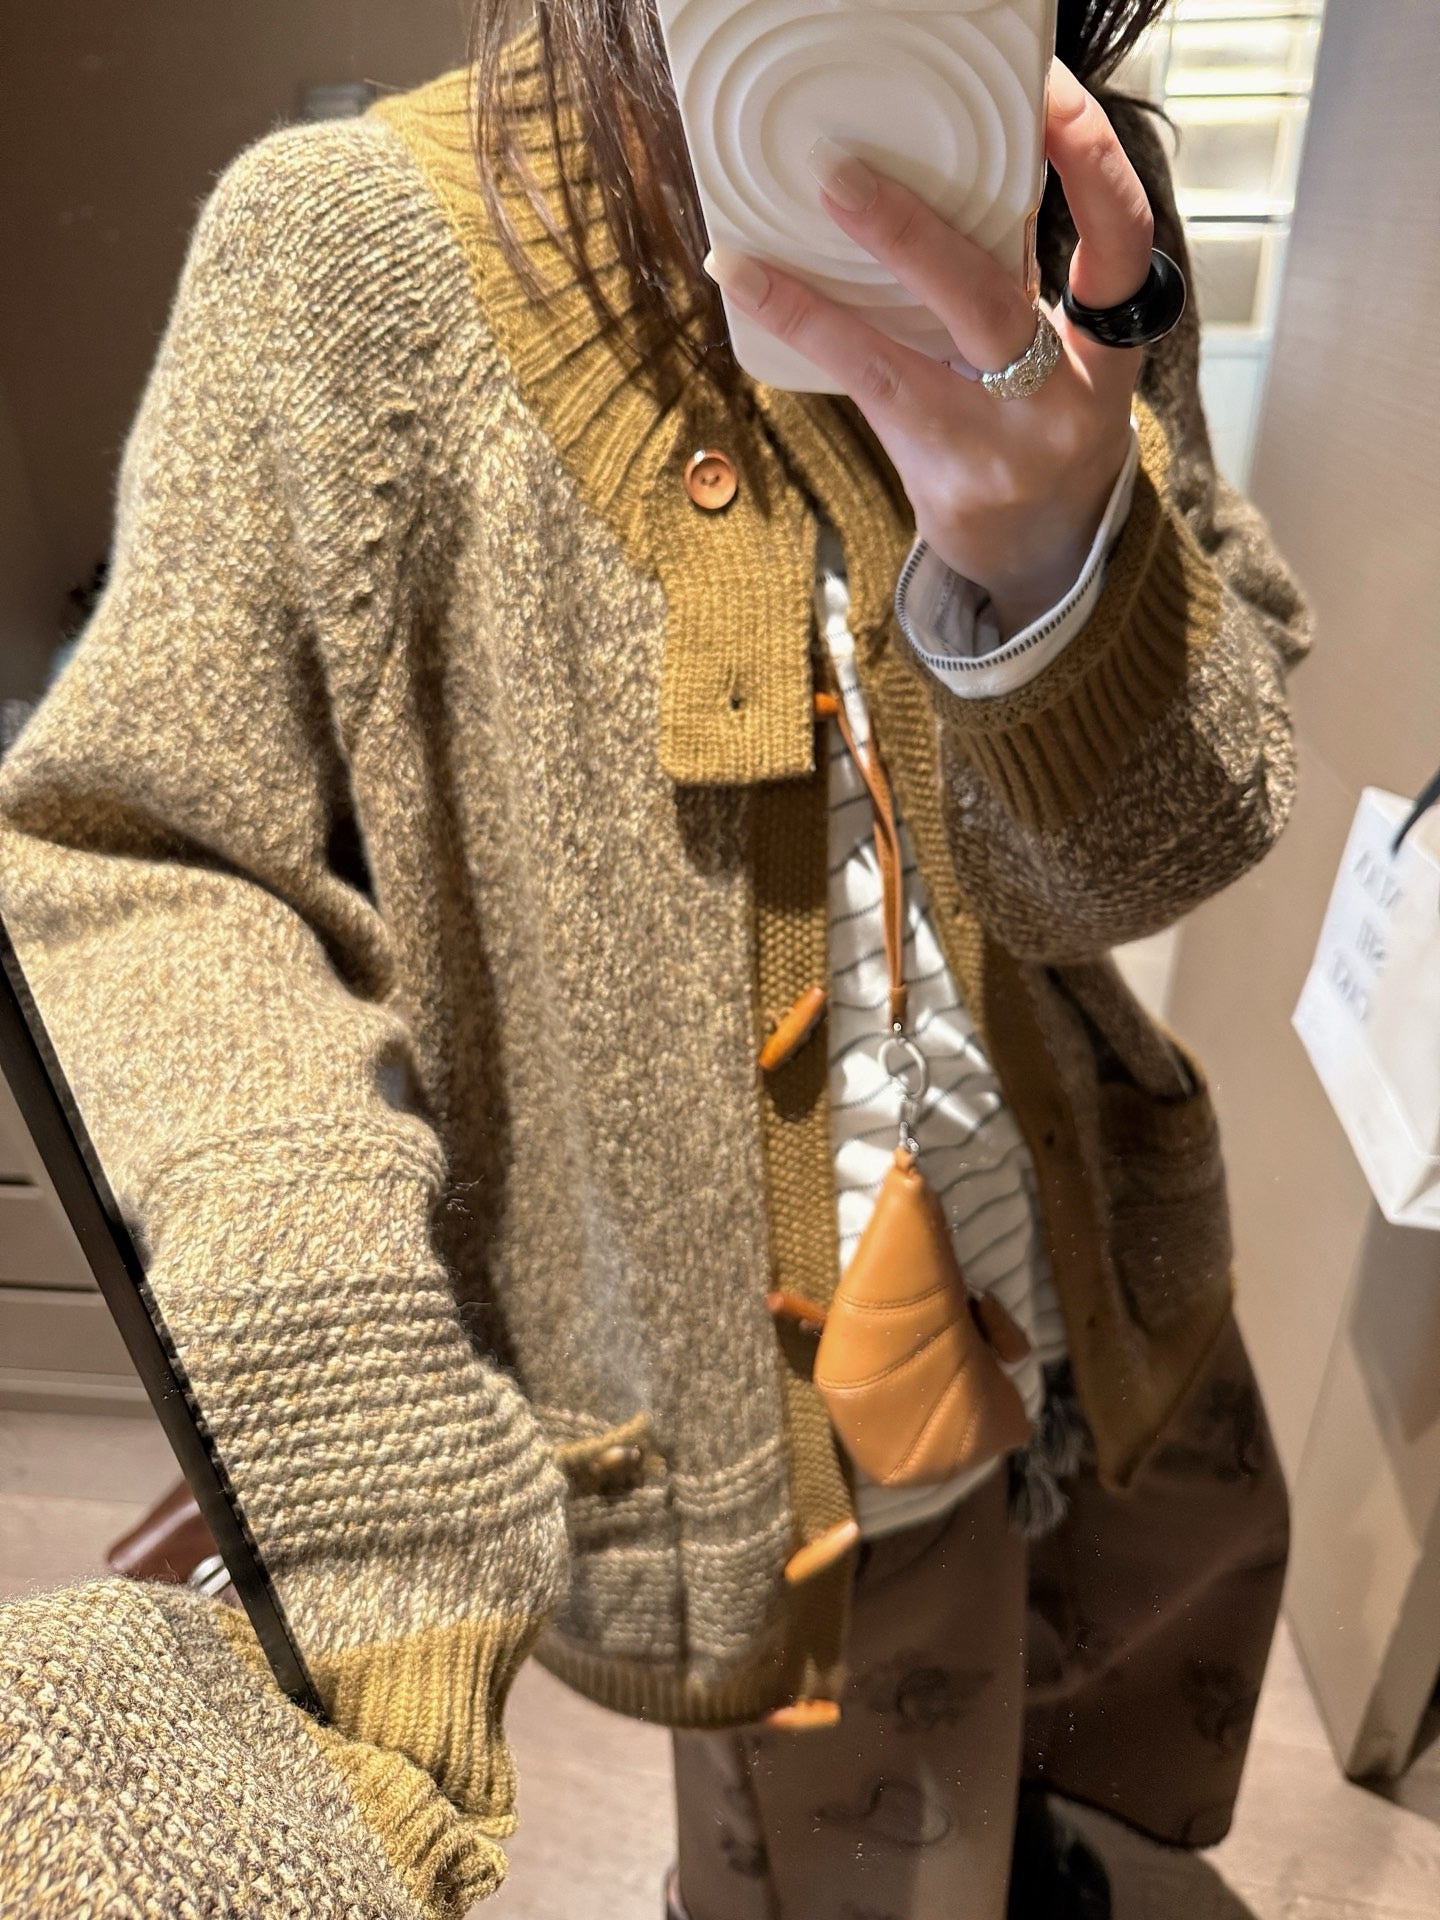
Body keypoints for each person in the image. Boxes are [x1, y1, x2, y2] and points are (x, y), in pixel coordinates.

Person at [0, 1, 1306, 1914]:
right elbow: (141, 853)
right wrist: (349, 1385)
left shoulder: (1083, 192)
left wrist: (1065, 573)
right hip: (758, 1389)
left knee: (1125, 1628)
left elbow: (1177, 825)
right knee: (863, 1828)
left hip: (1081, 1225)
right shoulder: (345, 262)